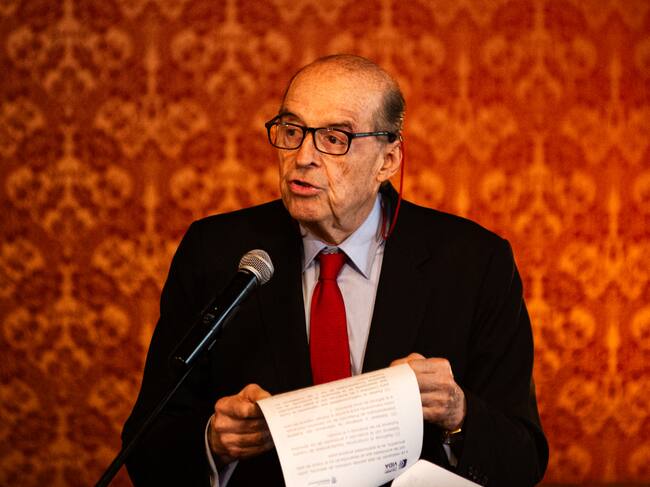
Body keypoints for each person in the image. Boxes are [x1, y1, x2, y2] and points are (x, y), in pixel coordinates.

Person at [122, 54, 548, 486]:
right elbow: (146, 444)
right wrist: (214, 442)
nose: (303, 156)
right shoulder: (216, 252)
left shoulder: (474, 263)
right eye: (292, 131)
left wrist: (459, 414)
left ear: (388, 160)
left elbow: (523, 460)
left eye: (334, 138)